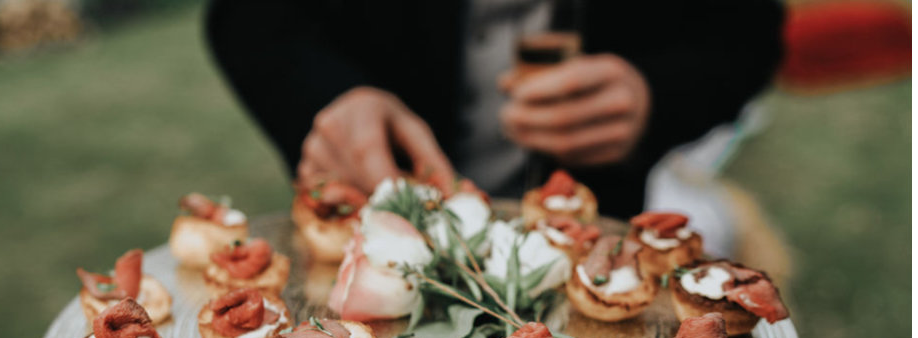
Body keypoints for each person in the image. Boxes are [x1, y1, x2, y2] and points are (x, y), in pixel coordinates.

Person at [204, 0, 783, 219]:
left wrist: (657, 95)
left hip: (595, 232)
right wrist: (325, 101)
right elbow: (250, 16)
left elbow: (747, 31)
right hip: (372, 219)